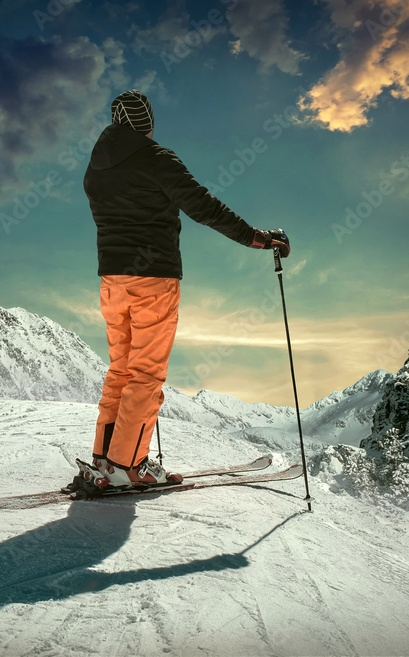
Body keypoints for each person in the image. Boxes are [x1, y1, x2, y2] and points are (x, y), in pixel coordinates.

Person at [69, 89, 290, 494]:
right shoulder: (157, 159)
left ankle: (105, 458)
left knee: (121, 369)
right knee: (146, 374)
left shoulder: (96, 168)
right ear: (144, 124)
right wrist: (258, 239)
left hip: (112, 282)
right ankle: (128, 466)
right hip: (153, 281)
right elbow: (204, 207)